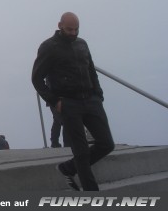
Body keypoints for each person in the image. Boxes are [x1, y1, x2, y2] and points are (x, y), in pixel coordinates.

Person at [31, 12, 115, 191]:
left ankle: (67, 168)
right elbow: (36, 79)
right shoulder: (48, 47)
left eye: (76, 29)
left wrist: (98, 95)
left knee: (107, 143)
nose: (73, 32)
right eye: (69, 29)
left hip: (91, 100)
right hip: (67, 103)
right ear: (60, 25)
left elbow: (91, 70)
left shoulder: (82, 44)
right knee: (82, 152)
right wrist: (55, 101)